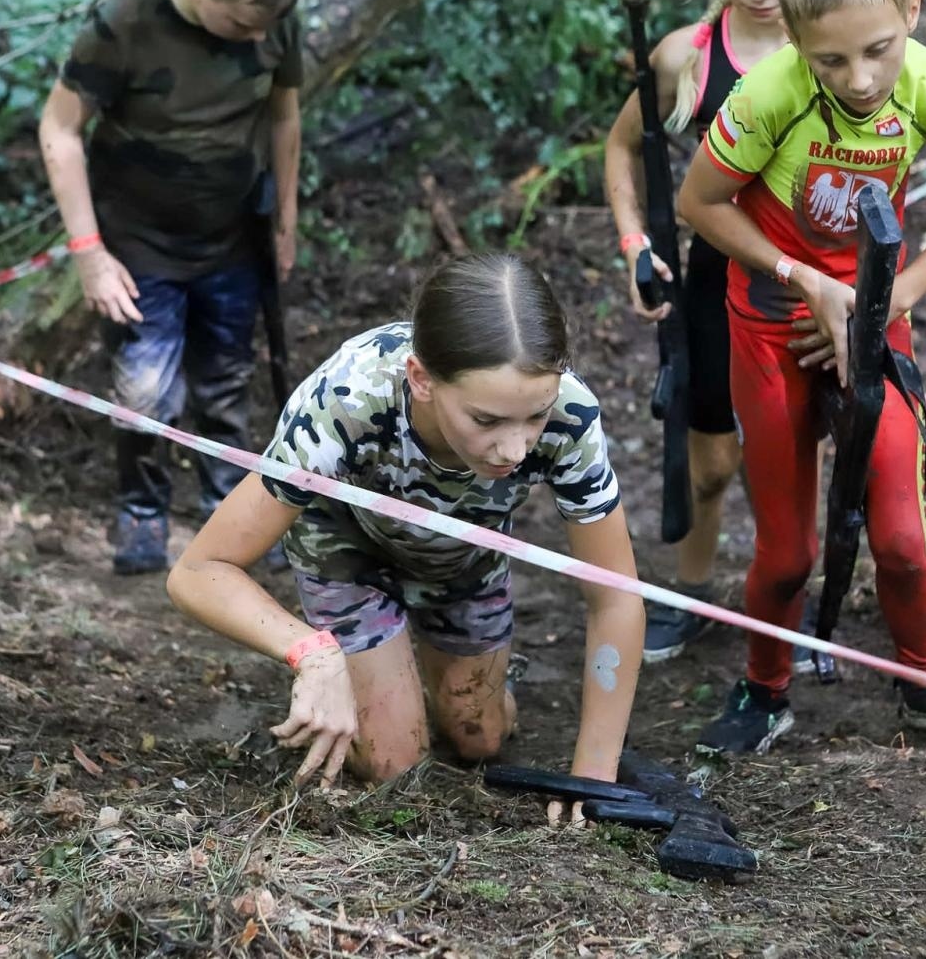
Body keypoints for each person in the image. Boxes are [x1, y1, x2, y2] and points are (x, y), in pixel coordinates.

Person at [676, 0, 926, 754]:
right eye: (831, 59)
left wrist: (897, 295)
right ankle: (765, 689)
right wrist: (802, 280)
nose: (862, 78)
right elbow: (699, 203)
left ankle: (925, 681)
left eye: (878, 49)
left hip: (874, 323)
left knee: (903, 540)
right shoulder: (768, 94)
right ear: (795, 38)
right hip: (773, 328)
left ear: (912, 10)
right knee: (787, 551)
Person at [166, 255, 646, 796]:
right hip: (347, 549)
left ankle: (453, 682)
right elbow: (198, 570)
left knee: (480, 739)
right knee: (395, 765)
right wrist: (309, 651)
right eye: (486, 420)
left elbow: (617, 597)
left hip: (463, 551)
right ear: (421, 380)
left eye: (536, 416)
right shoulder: (343, 403)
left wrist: (594, 779)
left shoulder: (571, 416)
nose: (515, 449)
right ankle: (360, 673)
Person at [39, 0, 302, 575]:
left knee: (227, 382)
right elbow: (59, 129)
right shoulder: (125, 19)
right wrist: (89, 253)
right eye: (241, 26)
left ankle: (232, 516)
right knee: (145, 390)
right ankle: (142, 515)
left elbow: (285, 113)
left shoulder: (272, 3)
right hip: (138, 242)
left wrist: (286, 218)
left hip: (234, 235)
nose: (258, 37)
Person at [604, 0, 824, 664]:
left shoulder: (835, 43)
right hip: (715, 281)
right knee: (712, 464)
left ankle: (789, 601)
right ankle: (693, 595)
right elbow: (621, 146)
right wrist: (634, 242)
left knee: (790, 454)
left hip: (811, 281)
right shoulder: (686, 55)